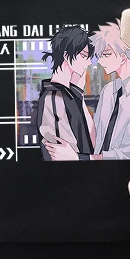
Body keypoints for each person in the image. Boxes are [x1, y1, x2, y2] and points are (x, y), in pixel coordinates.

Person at [44, 21, 130, 161]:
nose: (99, 61)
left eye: (106, 54)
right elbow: (96, 140)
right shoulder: (109, 91)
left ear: (123, 57)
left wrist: (79, 158)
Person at [36, 26, 95, 161]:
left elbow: (91, 142)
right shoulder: (54, 97)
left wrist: (78, 92)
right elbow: (64, 153)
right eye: (84, 56)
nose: (89, 62)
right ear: (67, 56)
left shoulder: (70, 94)